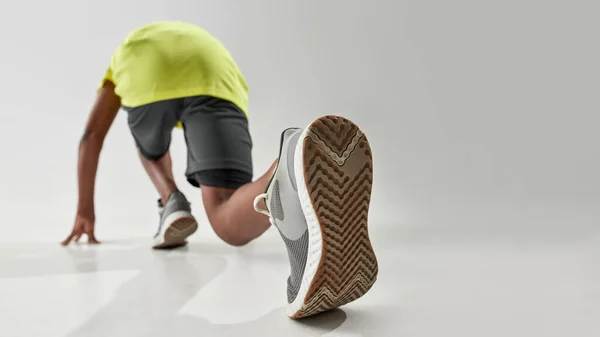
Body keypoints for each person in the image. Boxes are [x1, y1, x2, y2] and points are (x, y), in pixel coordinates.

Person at [61, 21, 379, 318]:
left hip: (145, 67)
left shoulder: (120, 61)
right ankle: (290, 161)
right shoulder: (192, 39)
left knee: (149, 148)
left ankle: (170, 200)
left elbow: (91, 137)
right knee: (227, 211)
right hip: (214, 69)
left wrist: (84, 211)